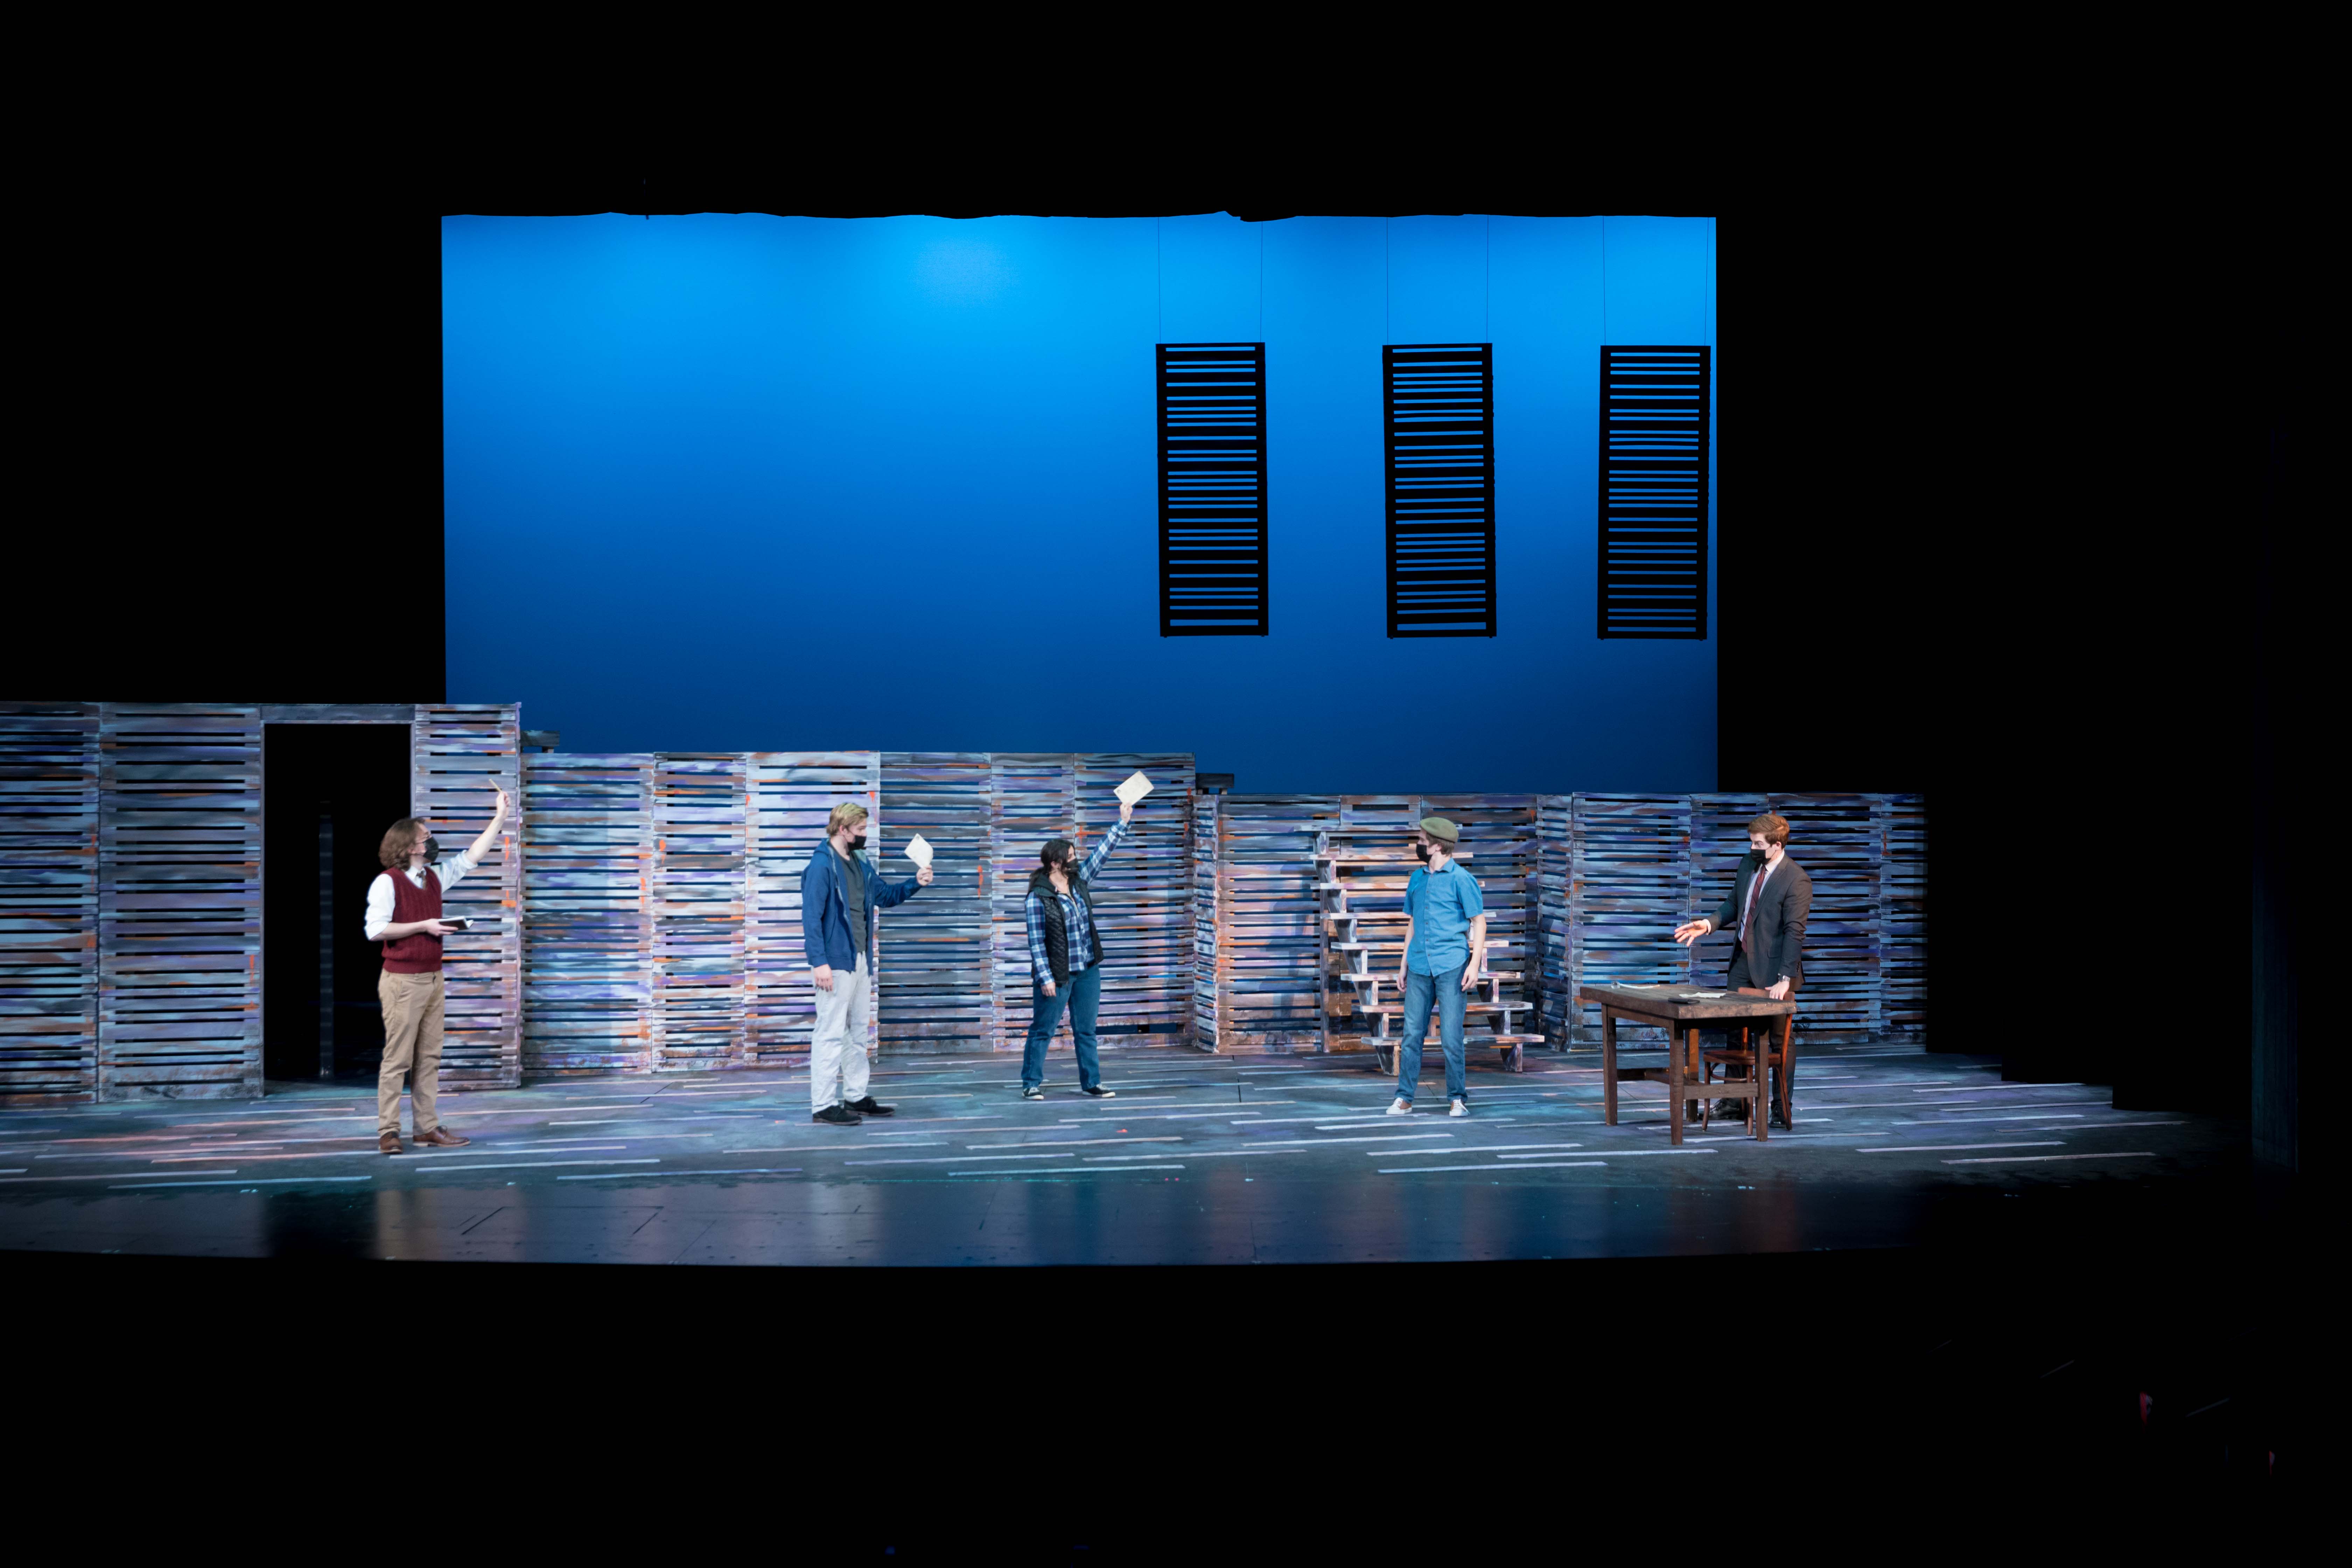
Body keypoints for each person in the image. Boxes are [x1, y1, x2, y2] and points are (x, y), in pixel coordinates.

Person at [363, 786, 510, 1154]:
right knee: (398, 1058)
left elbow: (472, 856)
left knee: (429, 1057)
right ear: (409, 847)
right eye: (425, 837)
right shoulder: (388, 882)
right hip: (402, 981)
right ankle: (388, 1131)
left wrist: (500, 818)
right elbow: (375, 930)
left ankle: (426, 1127)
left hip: (432, 978)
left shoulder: (433, 878)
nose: (431, 842)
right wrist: (424, 925)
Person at [1673, 812, 1812, 1122]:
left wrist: (1785, 978)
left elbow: (1795, 932)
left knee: (1778, 1041)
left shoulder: (1796, 879)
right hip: (1742, 963)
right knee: (1735, 1034)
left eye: (1758, 844)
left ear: (1777, 846)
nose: (1753, 848)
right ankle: (1735, 1100)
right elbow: (1735, 905)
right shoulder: (1749, 864)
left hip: (1775, 971)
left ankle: (1781, 1106)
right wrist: (1708, 924)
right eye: (1751, 842)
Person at [803, 801, 932, 1126]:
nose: (865, 835)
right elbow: (811, 918)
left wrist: (916, 882)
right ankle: (823, 1105)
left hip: (859, 959)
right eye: (860, 829)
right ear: (842, 829)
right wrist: (819, 962)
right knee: (830, 1033)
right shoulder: (822, 866)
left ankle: (856, 1096)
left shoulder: (860, 862)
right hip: (835, 962)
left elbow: (884, 896)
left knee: (858, 1031)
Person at [1019, 796, 1135, 1100]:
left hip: (1087, 970)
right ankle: (1031, 1082)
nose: (1076, 860)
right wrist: (1045, 978)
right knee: (1043, 1029)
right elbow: (1035, 943)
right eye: (1070, 857)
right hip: (1058, 975)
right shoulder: (1038, 897)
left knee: (1086, 1030)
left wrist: (1122, 822)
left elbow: (1101, 855)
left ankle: (1092, 1082)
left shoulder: (1079, 882)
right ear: (1055, 863)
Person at [1386, 815, 1486, 1118]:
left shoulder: (1461, 879)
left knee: (1451, 1039)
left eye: (1422, 840)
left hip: (1451, 966)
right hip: (1419, 966)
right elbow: (1413, 924)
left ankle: (1457, 1098)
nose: (1418, 844)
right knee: (1411, 1035)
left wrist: (1475, 966)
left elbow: (1479, 922)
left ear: (1438, 846)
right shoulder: (1417, 879)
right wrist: (1403, 964)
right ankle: (1404, 1097)